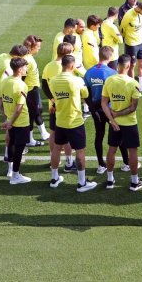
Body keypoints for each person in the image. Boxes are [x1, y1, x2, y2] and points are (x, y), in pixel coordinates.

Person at [48, 55, 96, 192]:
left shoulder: (53, 81)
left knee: (57, 149)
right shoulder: (77, 81)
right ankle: (81, 183)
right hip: (75, 121)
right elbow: (86, 95)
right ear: (72, 66)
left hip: (60, 121)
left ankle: (54, 178)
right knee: (80, 151)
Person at [101, 54, 142, 191]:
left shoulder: (109, 81)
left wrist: (112, 119)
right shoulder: (133, 83)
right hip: (130, 123)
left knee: (112, 149)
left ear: (117, 65)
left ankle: (109, 180)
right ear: (128, 66)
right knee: (132, 151)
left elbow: (104, 103)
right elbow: (133, 107)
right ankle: (134, 182)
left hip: (114, 123)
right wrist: (117, 115)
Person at [84, 46, 131, 175]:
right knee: (118, 135)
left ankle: (101, 164)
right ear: (110, 57)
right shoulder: (112, 73)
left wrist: (92, 109)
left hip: (96, 111)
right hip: (110, 110)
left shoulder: (89, 72)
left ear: (99, 56)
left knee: (99, 136)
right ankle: (126, 162)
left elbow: (86, 93)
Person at [42, 41, 77, 172]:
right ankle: (69, 162)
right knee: (66, 134)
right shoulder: (67, 67)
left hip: (53, 106)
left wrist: (52, 99)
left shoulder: (48, 66)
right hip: (65, 106)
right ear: (67, 54)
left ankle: (53, 159)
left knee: (53, 132)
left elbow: (44, 85)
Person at [0, 57, 32, 184]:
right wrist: (10, 121)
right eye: (25, 67)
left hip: (10, 120)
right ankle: (15, 176)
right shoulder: (22, 85)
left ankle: (11, 170)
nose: (27, 69)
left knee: (11, 144)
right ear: (20, 69)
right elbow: (19, 109)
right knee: (19, 149)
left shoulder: (5, 82)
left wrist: (6, 117)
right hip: (21, 121)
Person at [22, 35, 50, 145]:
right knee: (34, 113)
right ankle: (36, 136)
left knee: (35, 113)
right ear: (31, 46)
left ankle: (37, 136)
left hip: (32, 89)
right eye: (38, 46)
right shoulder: (27, 59)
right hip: (30, 90)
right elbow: (22, 77)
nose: (39, 48)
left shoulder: (28, 57)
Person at [120, 0, 142, 91]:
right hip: (131, 43)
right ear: (139, 8)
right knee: (132, 65)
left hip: (140, 41)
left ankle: (141, 85)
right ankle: (132, 86)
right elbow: (122, 28)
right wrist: (125, 38)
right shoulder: (128, 15)